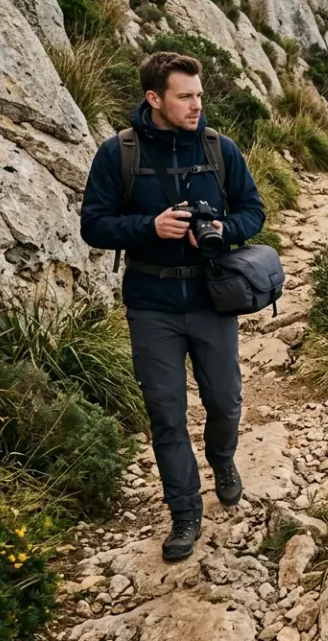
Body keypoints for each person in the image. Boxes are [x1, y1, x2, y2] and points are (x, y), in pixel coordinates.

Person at [79, 52, 266, 562]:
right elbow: (93, 224)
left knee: (226, 401)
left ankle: (222, 459)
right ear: (154, 99)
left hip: (211, 298)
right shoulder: (118, 154)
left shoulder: (220, 149)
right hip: (150, 302)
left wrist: (227, 229)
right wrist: (149, 227)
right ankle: (184, 512)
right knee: (167, 414)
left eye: (199, 95)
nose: (196, 105)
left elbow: (253, 210)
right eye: (185, 96)